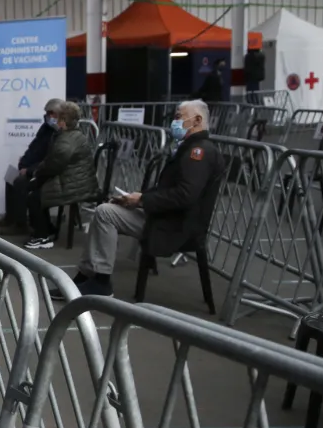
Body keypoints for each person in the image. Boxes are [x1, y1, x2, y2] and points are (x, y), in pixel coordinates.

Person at [63, 99, 225, 298]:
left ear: (197, 120)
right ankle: (86, 277)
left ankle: (100, 281)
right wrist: (139, 198)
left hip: (175, 225)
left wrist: (141, 202)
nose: (174, 122)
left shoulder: (198, 152)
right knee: (108, 209)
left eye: (178, 117)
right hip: (167, 217)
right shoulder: (193, 148)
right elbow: (174, 191)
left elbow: (185, 195)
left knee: (105, 213)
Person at [24, 101, 98, 250]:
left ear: (63, 122)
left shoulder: (66, 140)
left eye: (58, 118)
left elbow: (54, 165)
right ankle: (46, 229)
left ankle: (42, 236)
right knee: (35, 188)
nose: (55, 120)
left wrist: (37, 173)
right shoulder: (70, 136)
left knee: (34, 194)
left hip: (75, 185)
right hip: (77, 181)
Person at [0, 98, 63, 234]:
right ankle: (10, 217)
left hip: (46, 173)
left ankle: (20, 225)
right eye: (47, 113)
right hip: (35, 168)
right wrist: (23, 163)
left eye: (51, 113)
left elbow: (50, 160)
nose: (48, 116)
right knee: (11, 176)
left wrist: (30, 170)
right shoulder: (45, 129)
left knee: (20, 183)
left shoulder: (59, 134)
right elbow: (33, 148)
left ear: (60, 115)